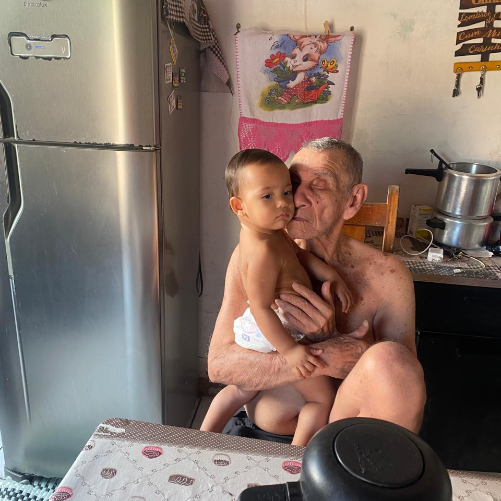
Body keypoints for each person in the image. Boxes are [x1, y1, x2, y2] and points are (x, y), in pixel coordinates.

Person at [207, 137, 426, 440]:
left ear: (353, 200)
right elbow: (219, 366)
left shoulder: (387, 275)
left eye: (319, 185)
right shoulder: (256, 255)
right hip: (261, 436)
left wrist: (334, 340)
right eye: (293, 183)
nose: (295, 198)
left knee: (391, 359)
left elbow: (401, 383)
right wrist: (321, 358)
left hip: (345, 441)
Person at [201, 149, 353, 446]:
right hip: (275, 327)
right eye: (267, 196)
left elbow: (299, 255)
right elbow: (260, 307)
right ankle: (292, 459)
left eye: (286, 192)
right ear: (239, 206)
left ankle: (201, 439)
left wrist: (331, 275)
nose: (283, 203)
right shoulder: (262, 251)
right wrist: (291, 351)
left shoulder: (272, 232)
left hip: (264, 325)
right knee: (321, 399)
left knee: (241, 390)